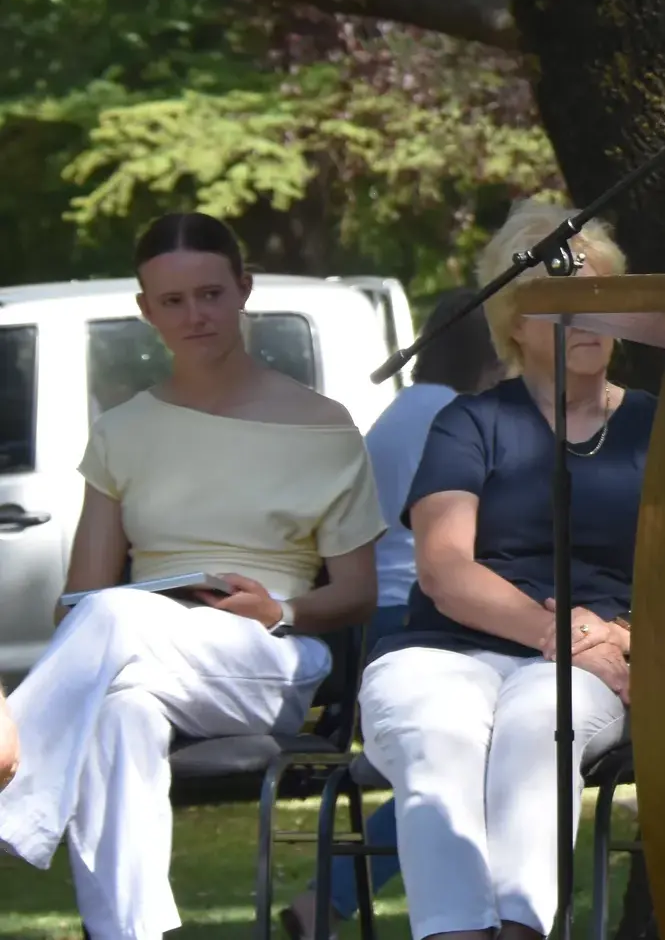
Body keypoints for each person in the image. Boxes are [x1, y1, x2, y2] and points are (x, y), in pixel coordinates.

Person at [0, 212, 384, 940]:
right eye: (172, 301)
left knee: (115, 616)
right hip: (145, 653)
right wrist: (138, 612)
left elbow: (359, 592)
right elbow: (77, 604)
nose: (195, 315)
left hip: (270, 653)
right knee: (120, 713)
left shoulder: (323, 426)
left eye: (210, 294)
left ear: (244, 289)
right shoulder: (121, 430)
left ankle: (9, 754)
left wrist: (277, 610)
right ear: (146, 310)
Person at [357, 204, 650, 939]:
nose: (588, 316)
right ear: (514, 323)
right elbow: (444, 570)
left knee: (540, 724)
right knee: (436, 728)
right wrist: (564, 633)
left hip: (593, 657)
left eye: (601, 294)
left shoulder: (663, 426)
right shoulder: (470, 421)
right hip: (449, 648)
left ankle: (519, 931)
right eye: (560, 299)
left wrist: (619, 640)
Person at [283, 290, 506, 937]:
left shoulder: (406, 409)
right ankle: (333, 897)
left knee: (468, 760)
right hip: (413, 621)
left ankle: (336, 900)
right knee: (476, 757)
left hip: (378, 621)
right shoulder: (457, 417)